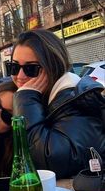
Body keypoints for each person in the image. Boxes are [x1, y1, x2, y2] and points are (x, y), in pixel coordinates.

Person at [10, 29, 105, 179]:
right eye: (14, 67)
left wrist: (25, 96)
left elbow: (49, 162)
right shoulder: (44, 98)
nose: (20, 76)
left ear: (53, 67)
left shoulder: (74, 99)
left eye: (31, 69)